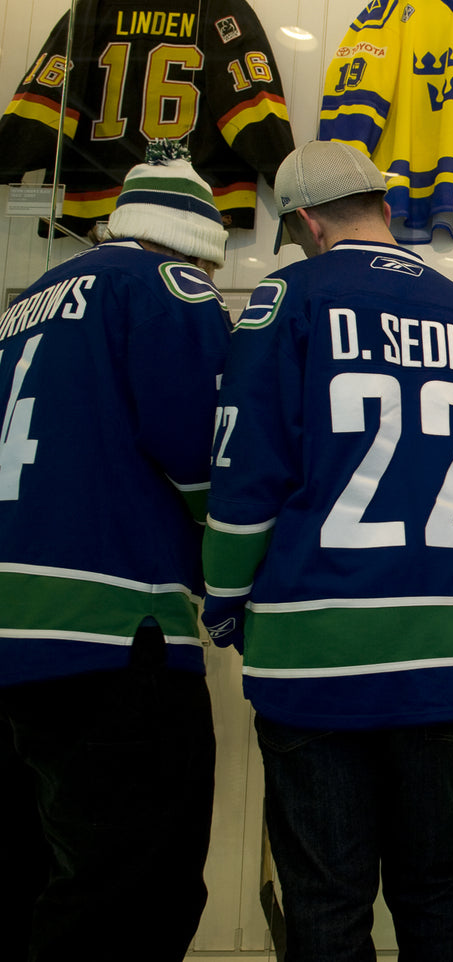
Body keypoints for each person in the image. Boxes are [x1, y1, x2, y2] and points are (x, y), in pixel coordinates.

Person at [201, 140, 453, 960]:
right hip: (447, 653)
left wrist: (224, 600)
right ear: (382, 204)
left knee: (328, 894)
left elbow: (247, 477)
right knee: (436, 884)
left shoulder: (290, 298)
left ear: (307, 220)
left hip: (318, 651)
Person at [0, 141, 229, 960]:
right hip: (111, 626)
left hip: (15, 632)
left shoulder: (27, 300)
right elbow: (202, 453)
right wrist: (231, 569)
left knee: (45, 880)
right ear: (196, 245)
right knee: (139, 888)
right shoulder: (168, 289)